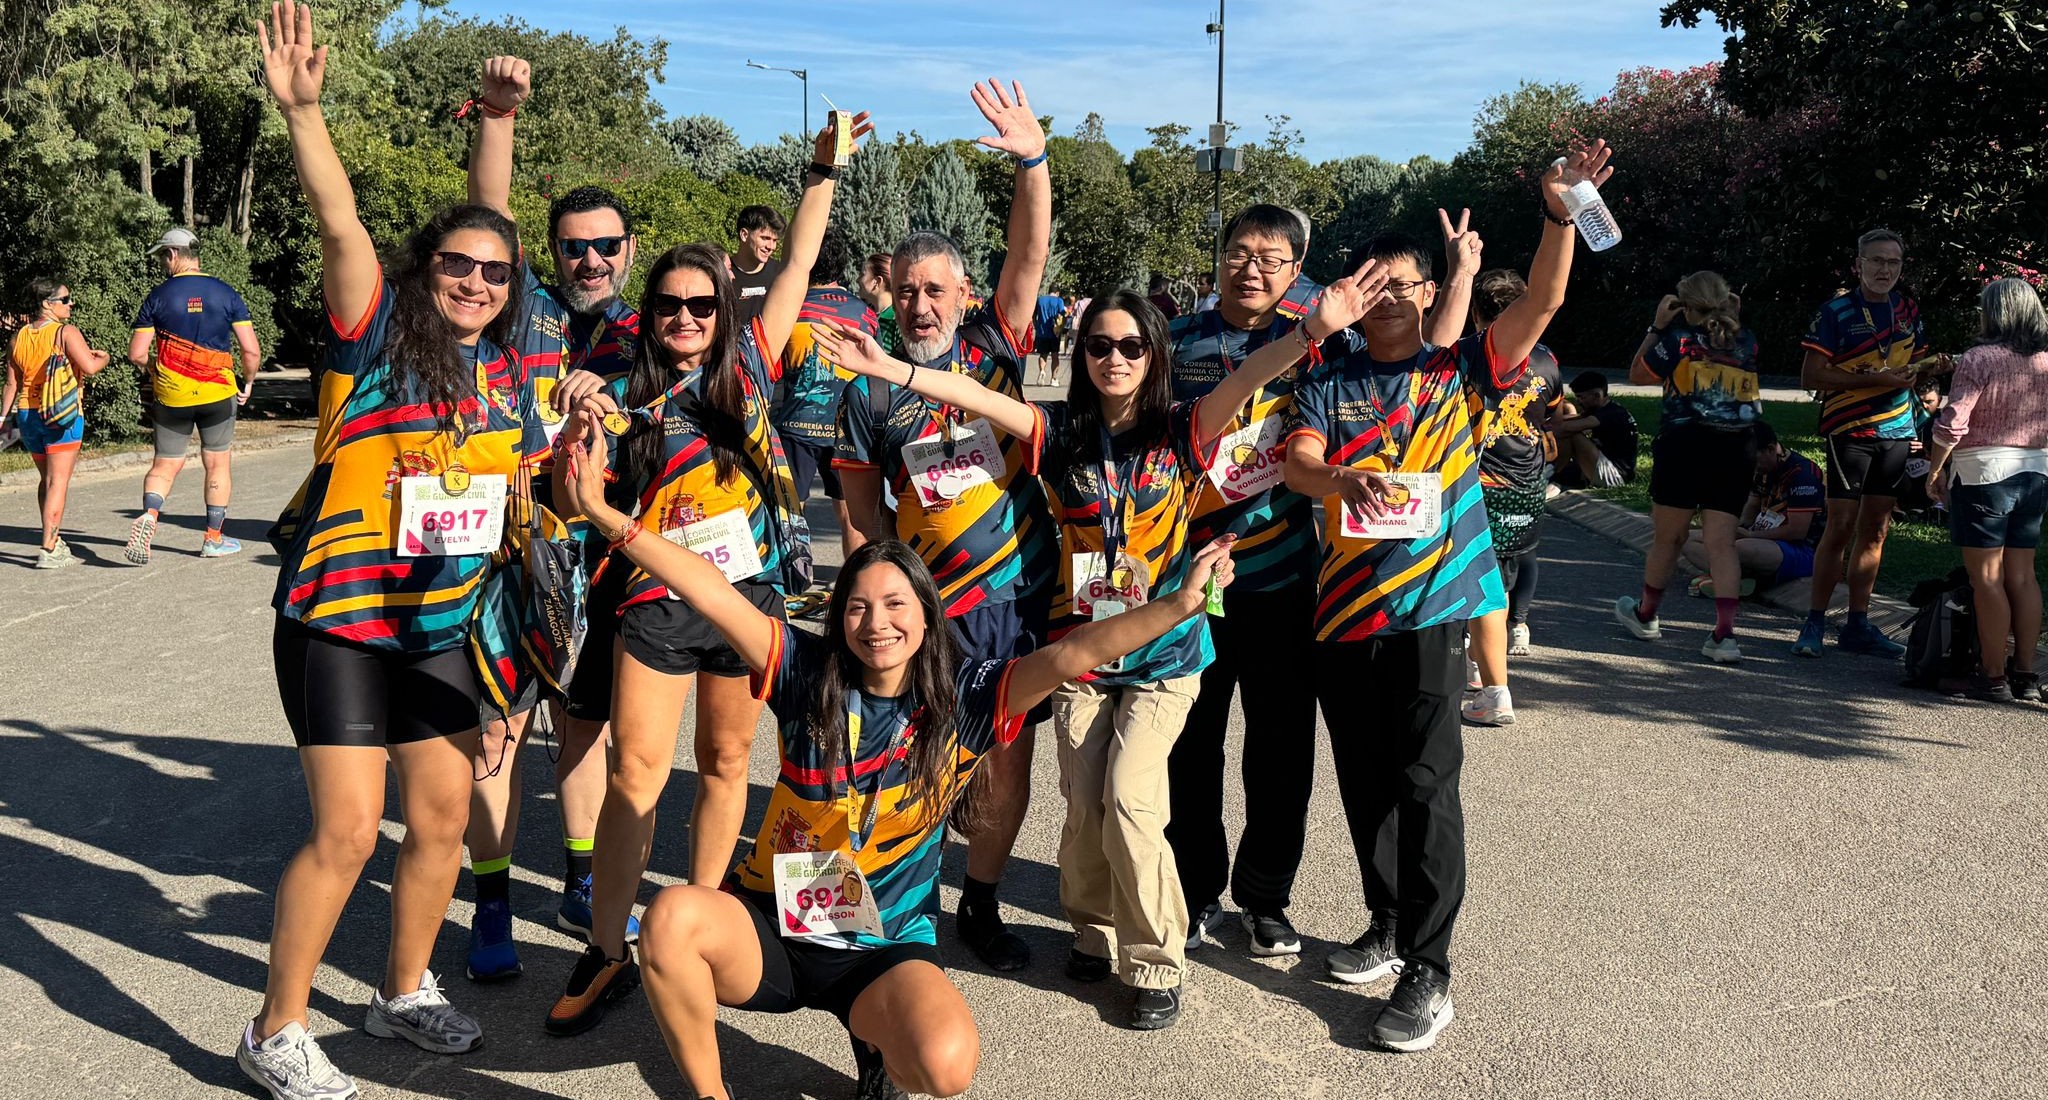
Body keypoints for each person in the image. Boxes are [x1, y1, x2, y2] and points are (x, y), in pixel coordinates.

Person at [555, 405, 1237, 1099]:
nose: (875, 624)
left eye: (895, 605)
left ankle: (874, 1040)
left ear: (925, 614)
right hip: (773, 928)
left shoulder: (969, 697)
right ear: (839, 615)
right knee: (670, 922)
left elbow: (1073, 653)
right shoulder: (803, 669)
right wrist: (609, 518)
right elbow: (706, 586)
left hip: (881, 947)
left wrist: (1179, 604)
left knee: (946, 1067)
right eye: (857, 607)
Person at [818, 274, 1379, 1027]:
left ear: (1154, 354)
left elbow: (1249, 376)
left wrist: (1311, 333)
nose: (1115, 358)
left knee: (1131, 799)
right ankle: (1092, 928)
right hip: (1082, 652)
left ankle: (1154, 962)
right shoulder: (1062, 436)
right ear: (1081, 356)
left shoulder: (1186, 428)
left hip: (1164, 654)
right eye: (1100, 346)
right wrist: (896, 371)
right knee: (1083, 803)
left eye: (1132, 346)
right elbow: (980, 399)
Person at [242, 7, 546, 1096]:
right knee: (344, 830)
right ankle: (276, 1026)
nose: (474, 280)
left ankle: (403, 985)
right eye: (456, 265)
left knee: (444, 815)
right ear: (424, 269)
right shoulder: (375, 327)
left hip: (442, 629)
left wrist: (500, 123)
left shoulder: (511, 377)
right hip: (338, 621)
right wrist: (305, 111)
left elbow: (493, 218)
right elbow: (339, 225)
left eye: (495, 274)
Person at [544, 110, 873, 1037]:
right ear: (647, 316)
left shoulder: (755, 365)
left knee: (727, 763)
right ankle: (610, 948)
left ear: (725, 312)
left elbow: (800, 262)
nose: (686, 318)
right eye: (669, 306)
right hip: (654, 602)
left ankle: (689, 934)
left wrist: (821, 172)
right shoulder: (619, 392)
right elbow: (577, 504)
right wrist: (581, 428)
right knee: (636, 780)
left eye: (702, 305)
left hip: (746, 603)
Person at [1283, 140, 1613, 1052]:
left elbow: (1542, 301)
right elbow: (1300, 462)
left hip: (1432, 610)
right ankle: (1387, 923)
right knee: (1364, 780)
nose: (1384, 294)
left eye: (1401, 282)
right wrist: (1336, 482)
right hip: (1345, 611)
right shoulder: (1328, 377)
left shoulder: (1462, 372)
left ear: (1429, 294)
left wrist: (1557, 216)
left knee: (1428, 783)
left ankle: (1430, 969)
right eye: (1369, 280)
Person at [1164, 203, 1476, 960]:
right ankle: (1196, 890)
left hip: (1285, 581)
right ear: (1220, 259)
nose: (1252, 269)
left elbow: (1423, 355)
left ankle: (1266, 899)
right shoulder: (1173, 343)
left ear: (1295, 270)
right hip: (1190, 581)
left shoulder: (1326, 341)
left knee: (1280, 749)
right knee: (1191, 744)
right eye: (1240, 253)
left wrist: (1459, 274)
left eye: (1272, 259)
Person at [834, 78, 1055, 973]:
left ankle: (985, 902)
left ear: (965, 295)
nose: (921, 305)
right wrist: (864, 615)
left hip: (1007, 597)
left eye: (937, 290)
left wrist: (1032, 163)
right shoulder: (867, 387)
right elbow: (858, 517)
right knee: (909, 756)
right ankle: (905, 894)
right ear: (886, 293)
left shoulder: (997, 346)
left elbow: (1030, 252)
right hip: (922, 610)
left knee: (1004, 759)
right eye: (906, 290)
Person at [456, 54, 645, 983]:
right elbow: (486, 222)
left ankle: (577, 879)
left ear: (629, 252)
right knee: (494, 734)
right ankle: (491, 899)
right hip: (502, 556)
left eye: (606, 246)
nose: (590, 260)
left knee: (584, 732)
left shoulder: (656, 333)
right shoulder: (518, 309)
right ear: (552, 252)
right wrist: (498, 118)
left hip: (601, 562)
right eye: (573, 245)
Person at [1793, 229, 1951, 659]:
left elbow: (1915, 364)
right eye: (1876, 261)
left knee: (1877, 529)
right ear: (1858, 265)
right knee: (1841, 526)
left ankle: (1858, 624)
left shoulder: (1907, 309)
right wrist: (1874, 380)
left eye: (1893, 263)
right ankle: (1814, 620)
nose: (1885, 270)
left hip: (1897, 430)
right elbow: (1811, 377)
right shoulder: (1836, 312)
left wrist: (1931, 365)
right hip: (1849, 430)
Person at [1614, 271, 1763, 664]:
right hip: (1737, 448)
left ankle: (1646, 615)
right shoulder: (1747, 343)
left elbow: (1636, 374)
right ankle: (1724, 636)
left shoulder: (1677, 342)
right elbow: (1730, 326)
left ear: (1685, 306)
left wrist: (1657, 325)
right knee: (1722, 542)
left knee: (1670, 537)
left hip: (1685, 444)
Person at [1924, 277, 2048, 703]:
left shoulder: (1979, 358)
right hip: (2035, 472)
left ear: (1992, 312)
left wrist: (1935, 470)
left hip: (1983, 474)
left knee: (1987, 579)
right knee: (2023, 576)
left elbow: (1953, 422)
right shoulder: (2046, 360)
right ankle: (2027, 675)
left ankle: (1994, 677)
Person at [123, 227, 265, 562]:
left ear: (173, 255)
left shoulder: (158, 296)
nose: (161, 263)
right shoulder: (225, 293)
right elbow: (251, 351)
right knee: (217, 463)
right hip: (217, 392)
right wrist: (248, 381)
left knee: (164, 465)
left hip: (172, 395)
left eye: (162, 256)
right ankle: (214, 538)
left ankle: (150, 516)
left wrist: (155, 371)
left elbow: (136, 353)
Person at [1462, 265, 1564, 726]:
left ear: (1478, 313)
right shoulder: (1547, 360)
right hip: (1527, 475)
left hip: (1479, 478)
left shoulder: (1475, 356)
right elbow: (1555, 411)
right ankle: (1514, 630)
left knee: (1476, 577)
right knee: (1512, 563)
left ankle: (1482, 674)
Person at [778, 225, 877, 557]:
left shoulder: (788, 308)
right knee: (852, 516)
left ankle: (792, 585)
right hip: (847, 427)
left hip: (795, 425)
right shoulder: (865, 313)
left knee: (792, 511)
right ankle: (853, 581)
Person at [3, 278, 109, 568]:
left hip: (28, 415)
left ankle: (53, 538)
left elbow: (12, 383)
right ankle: (49, 549)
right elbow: (89, 366)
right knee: (57, 482)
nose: (70, 303)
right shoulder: (66, 332)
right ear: (47, 304)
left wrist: (3, 418)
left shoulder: (19, 336)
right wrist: (105, 358)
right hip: (61, 415)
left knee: (46, 480)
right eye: (65, 299)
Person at [1680, 421, 1824, 594]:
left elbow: (1797, 531)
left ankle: (1729, 577)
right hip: (1760, 539)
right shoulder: (1761, 470)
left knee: (1739, 548)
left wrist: (1751, 535)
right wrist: (1735, 528)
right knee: (1685, 538)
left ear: (1771, 449)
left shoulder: (1803, 475)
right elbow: (1751, 508)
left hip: (1799, 550)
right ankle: (1738, 578)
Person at [1551, 370, 1637, 488]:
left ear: (1597, 395)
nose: (1578, 401)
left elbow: (1566, 428)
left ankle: (1551, 471)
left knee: (1571, 434)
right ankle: (1555, 470)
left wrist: (1542, 429)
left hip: (1615, 476)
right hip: (1607, 466)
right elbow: (1574, 418)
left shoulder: (1609, 414)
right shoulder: (1606, 409)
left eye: (1581, 397)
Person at [732, 205, 786, 323]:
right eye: (765, 238)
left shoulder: (780, 274)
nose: (771, 247)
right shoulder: (723, 273)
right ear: (744, 235)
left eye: (775, 240)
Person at [857, 252, 901, 358]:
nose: (857, 279)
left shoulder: (897, 322)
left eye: (862, 274)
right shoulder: (864, 315)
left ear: (876, 281)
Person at [1032, 288, 1066, 384]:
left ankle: (1042, 371)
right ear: (1057, 292)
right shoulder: (1059, 301)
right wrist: (1061, 327)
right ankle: (1054, 379)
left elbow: (1034, 315)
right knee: (1055, 355)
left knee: (1043, 355)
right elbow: (1062, 314)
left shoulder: (1040, 300)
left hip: (1042, 331)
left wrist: (1036, 325)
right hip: (1055, 332)